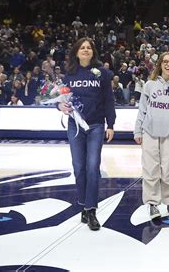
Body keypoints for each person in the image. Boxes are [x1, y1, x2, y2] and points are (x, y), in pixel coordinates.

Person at [58, 37, 116, 231]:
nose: (85, 50)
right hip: (75, 127)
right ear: (76, 52)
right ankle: (83, 204)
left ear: (93, 52)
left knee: (93, 167)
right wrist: (61, 106)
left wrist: (111, 124)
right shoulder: (69, 75)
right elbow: (61, 99)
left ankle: (91, 210)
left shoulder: (102, 74)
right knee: (79, 167)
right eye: (82, 48)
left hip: (96, 126)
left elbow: (109, 100)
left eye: (88, 48)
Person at [134, 52, 169, 220]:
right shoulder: (149, 85)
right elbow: (142, 109)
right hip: (149, 132)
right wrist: (137, 130)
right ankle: (153, 204)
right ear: (160, 64)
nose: (168, 64)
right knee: (150, 169)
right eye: (165, 61)